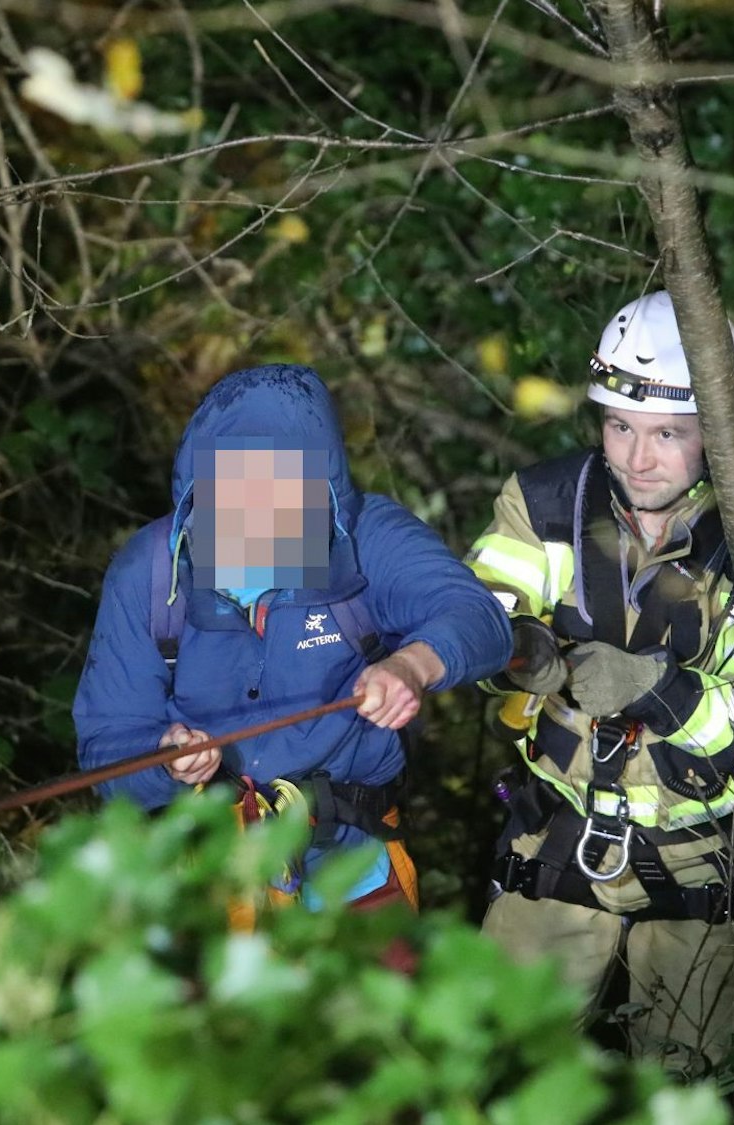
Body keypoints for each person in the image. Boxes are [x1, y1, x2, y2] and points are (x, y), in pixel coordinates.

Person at [466, 291, 734, 1073]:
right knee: (500, 1077)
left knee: (688, 1093)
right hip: (555, 842)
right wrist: (523, 649)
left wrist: (660, 690)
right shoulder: (543, 503)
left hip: (709, 866)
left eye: (670, 432)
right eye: (619, 426)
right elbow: (475, 617)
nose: (637, 458)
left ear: (722, 431)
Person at [73, 363, 512, 910]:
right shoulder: (151, 572)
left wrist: (413, 666)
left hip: (351, 866)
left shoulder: (368, 537)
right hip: (201, 879)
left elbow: (482, 620)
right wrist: (163, 762)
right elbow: (106, 749)